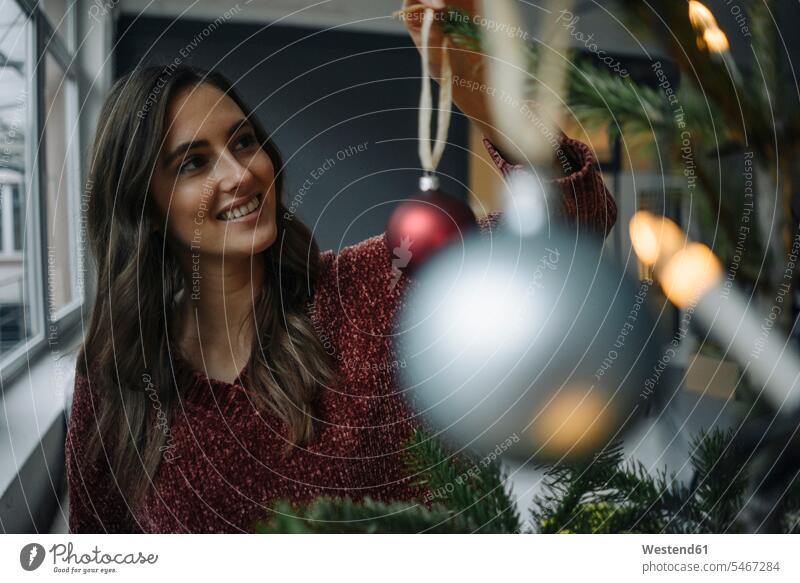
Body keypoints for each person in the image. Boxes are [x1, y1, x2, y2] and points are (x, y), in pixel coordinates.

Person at [65, 0, 617, 533]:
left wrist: (491, 102)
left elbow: (575, 224)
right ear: (146, 208)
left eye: (244, 141)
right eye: (194, 163)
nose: (240, 174)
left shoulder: (371, 288)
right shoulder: (116, 373)